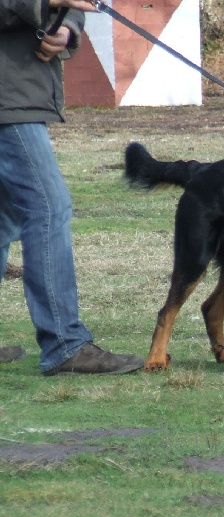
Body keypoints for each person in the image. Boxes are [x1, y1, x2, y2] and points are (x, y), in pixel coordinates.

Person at [1, 0, 143, 375]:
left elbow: (71, 6)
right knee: (49, 208)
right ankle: (64, 344)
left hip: (21, 92)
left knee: (3, 219)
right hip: (8, 101)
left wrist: (66, 29)